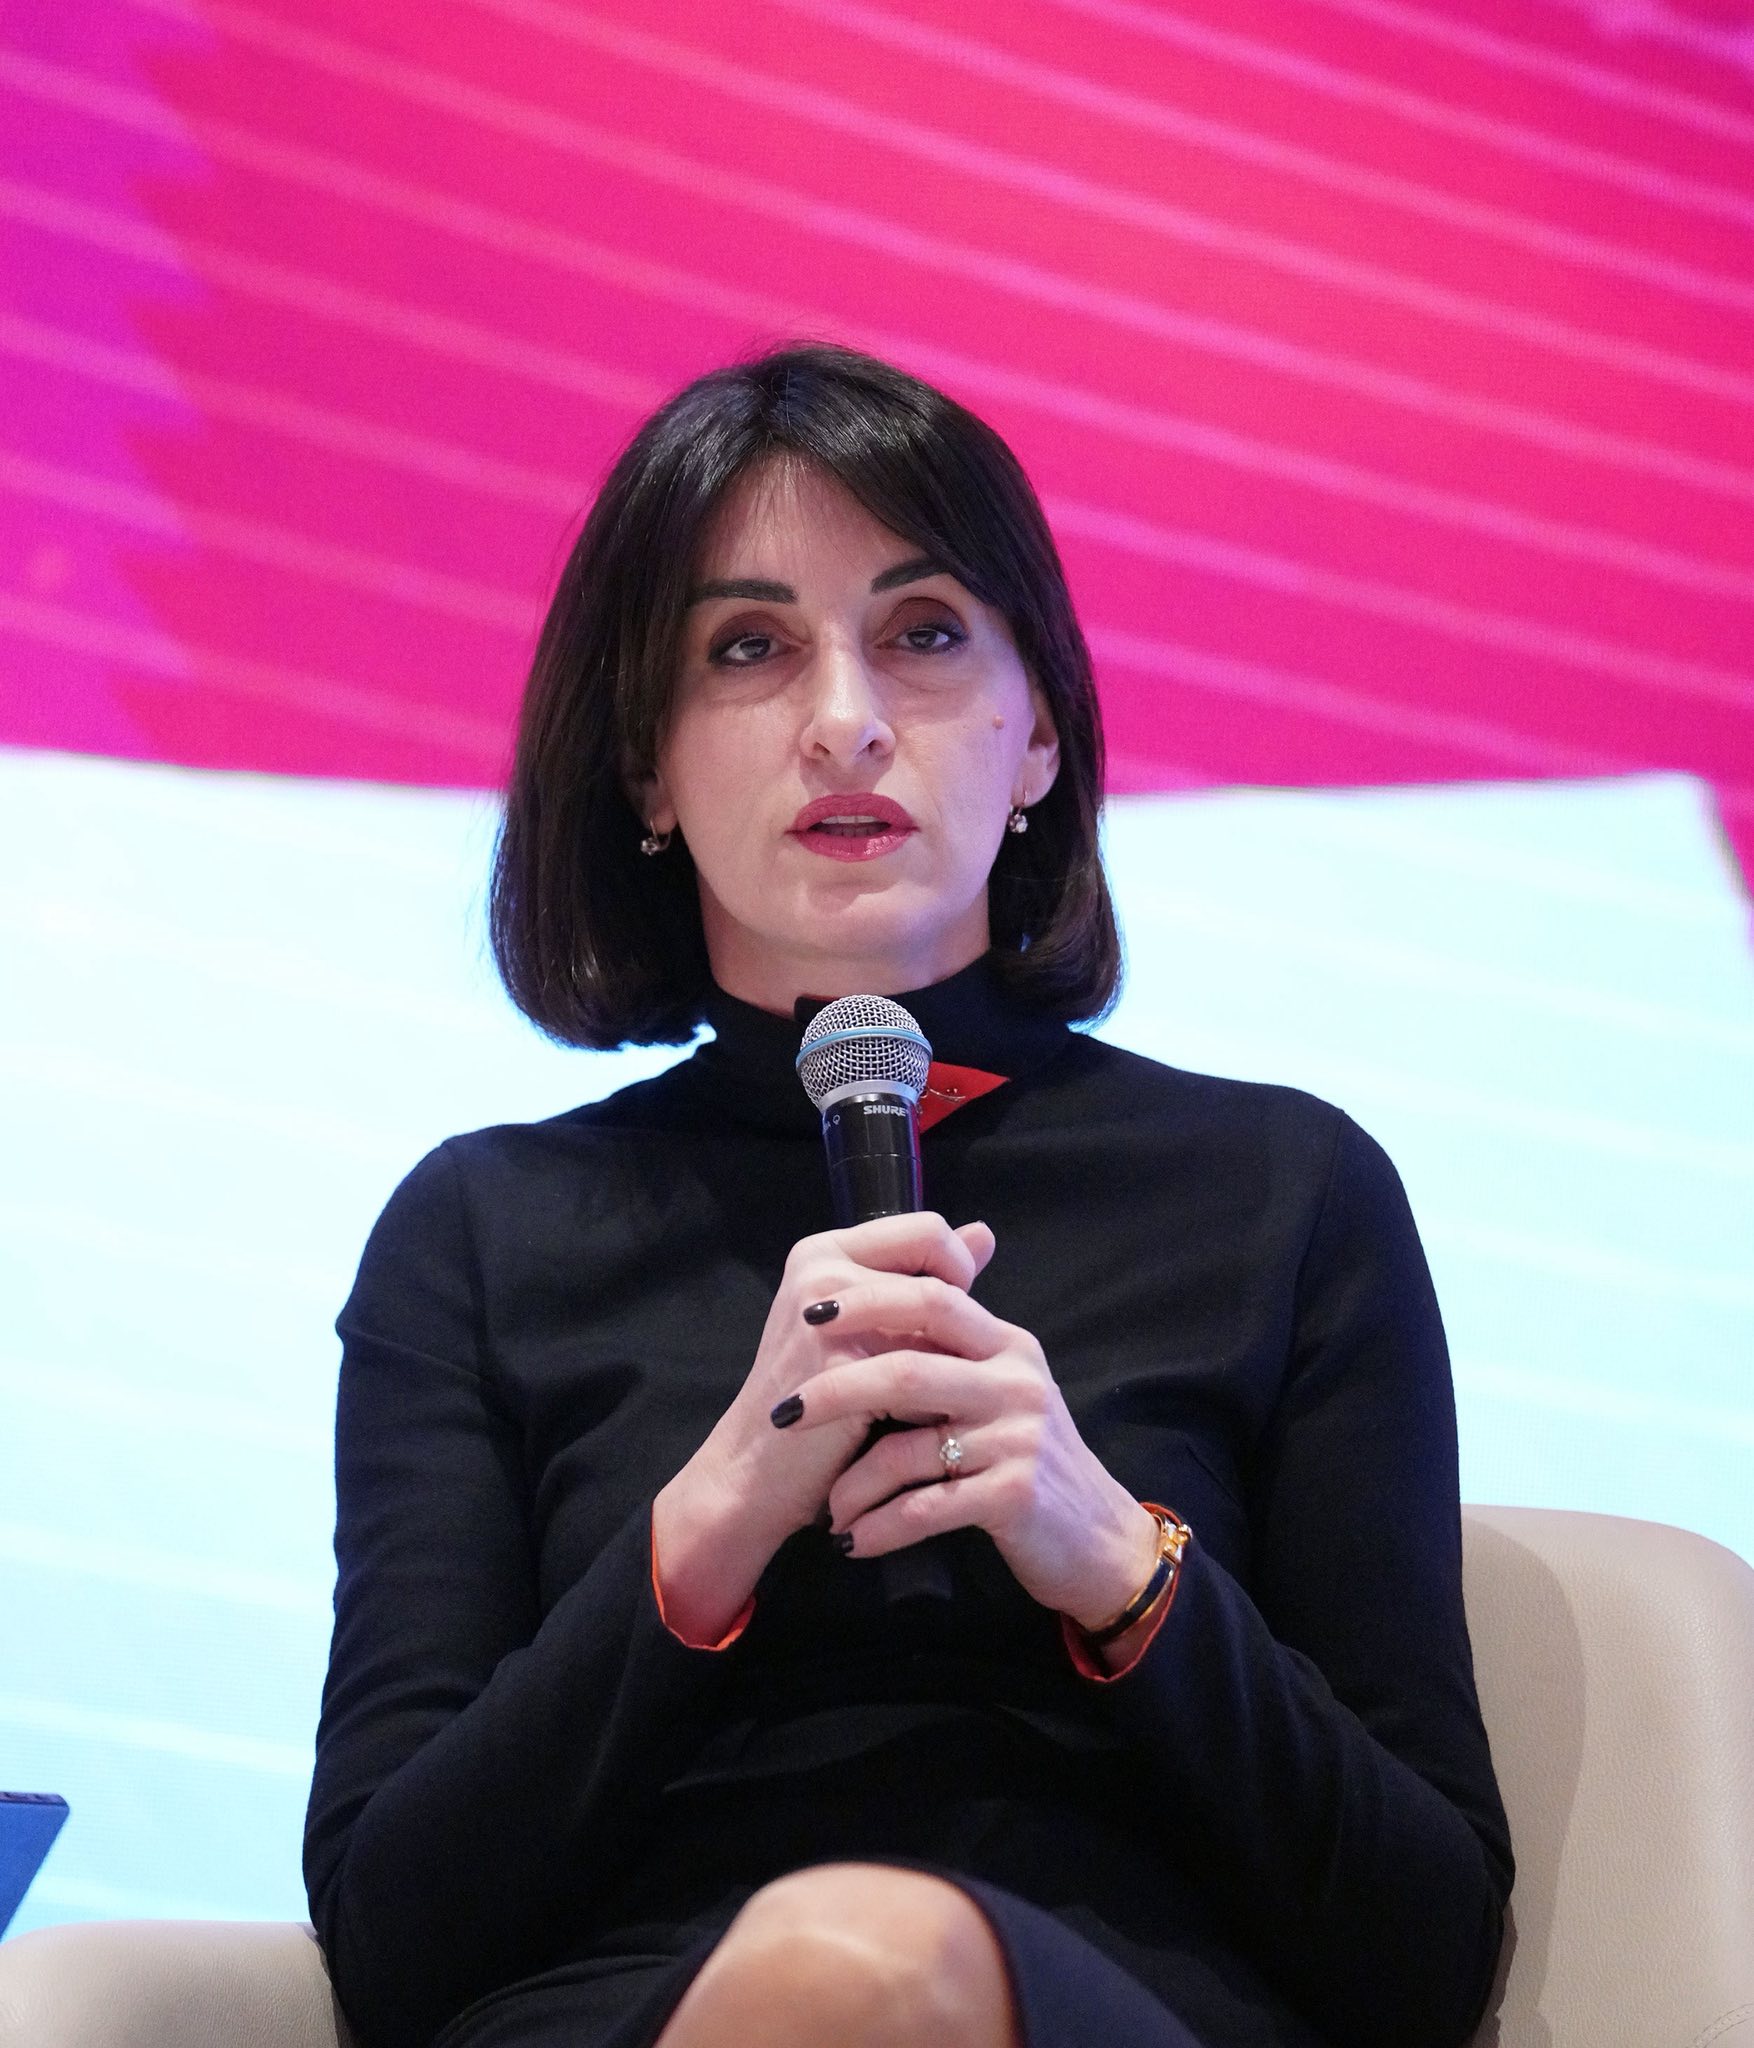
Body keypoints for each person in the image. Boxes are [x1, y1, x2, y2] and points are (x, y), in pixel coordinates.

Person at [303, 344, 1513, 2048]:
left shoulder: (1281, 1193)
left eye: (926, 634)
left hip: (1121, 2013)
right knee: (837, 1963)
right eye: (747, 649)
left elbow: (1425, 1955)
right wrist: (715, 1519)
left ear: (1039, 738)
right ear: (644, 768)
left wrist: (1113, 1558)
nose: (843, 720)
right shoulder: (484, 1234)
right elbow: (388, 1949)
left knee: (869, 1958)